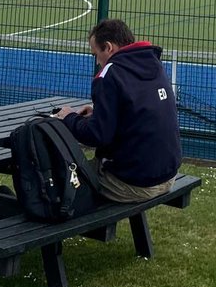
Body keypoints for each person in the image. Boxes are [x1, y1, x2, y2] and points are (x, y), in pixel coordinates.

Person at [56, 18, 182, 202]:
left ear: (108, 47)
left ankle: (22, 218)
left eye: (95, 54)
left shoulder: (110, 74)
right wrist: (98, 113)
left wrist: (69, 117)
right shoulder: (153, 64)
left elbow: (96, 136)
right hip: (167, 176)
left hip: (134, 183)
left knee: (65, 176)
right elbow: (137, 108)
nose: (98, 61)